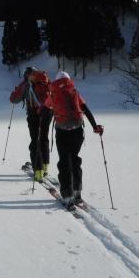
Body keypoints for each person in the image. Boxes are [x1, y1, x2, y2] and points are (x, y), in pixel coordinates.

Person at [49, 71, 103, 209]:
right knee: (75, 160)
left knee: (64, 163)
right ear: (68, 80)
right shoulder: (75, 92)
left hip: (62, 132)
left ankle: (67, 196)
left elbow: (44, 110)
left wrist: (40, 127)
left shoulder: (53, 94)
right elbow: (85, 108)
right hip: (77, 131)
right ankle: (77, 193)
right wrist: (95, 126)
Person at [9, 66, 54, 182]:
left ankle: (38, 171)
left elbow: (14, 99)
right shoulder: (45, 80)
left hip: (34, 114)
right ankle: (45, 166)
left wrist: (15, 91)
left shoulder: (26, 84)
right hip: (48, 112)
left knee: (35, 141)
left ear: (26, 75)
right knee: (44, 138)